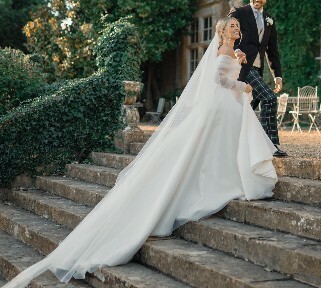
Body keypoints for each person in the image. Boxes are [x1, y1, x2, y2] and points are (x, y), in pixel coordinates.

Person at [3, 17, 277, 288]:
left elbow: (225, 73)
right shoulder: (223, 50)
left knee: (223, 142)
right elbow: (220, 79)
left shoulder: (231, 51)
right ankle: (228, 179)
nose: (236, 29)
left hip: (225, 106)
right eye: (232, 26)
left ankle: (230, 175)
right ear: (222, 30)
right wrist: (245, 85)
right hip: (222, 104)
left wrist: (239, 63)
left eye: (238, 27)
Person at [229, 0, 287, 157]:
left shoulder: (269, 19)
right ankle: (272, 145)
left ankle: (232, 143)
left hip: (257, 70)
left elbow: (272, 51)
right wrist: (237, 50)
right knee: (269, 98)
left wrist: (277, 75)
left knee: (246, 109)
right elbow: (225, 34)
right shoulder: (239, 12)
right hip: (242, 67)